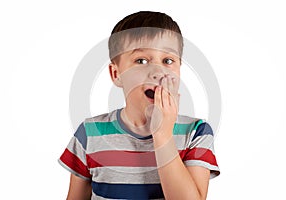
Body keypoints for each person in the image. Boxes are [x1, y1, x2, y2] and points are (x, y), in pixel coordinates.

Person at [59, 11, 220, 200]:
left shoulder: (196, 132)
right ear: (116, 74)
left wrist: (162, 134)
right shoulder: (89, 132)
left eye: (168, 61)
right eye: (141, 61)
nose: (157, 71)